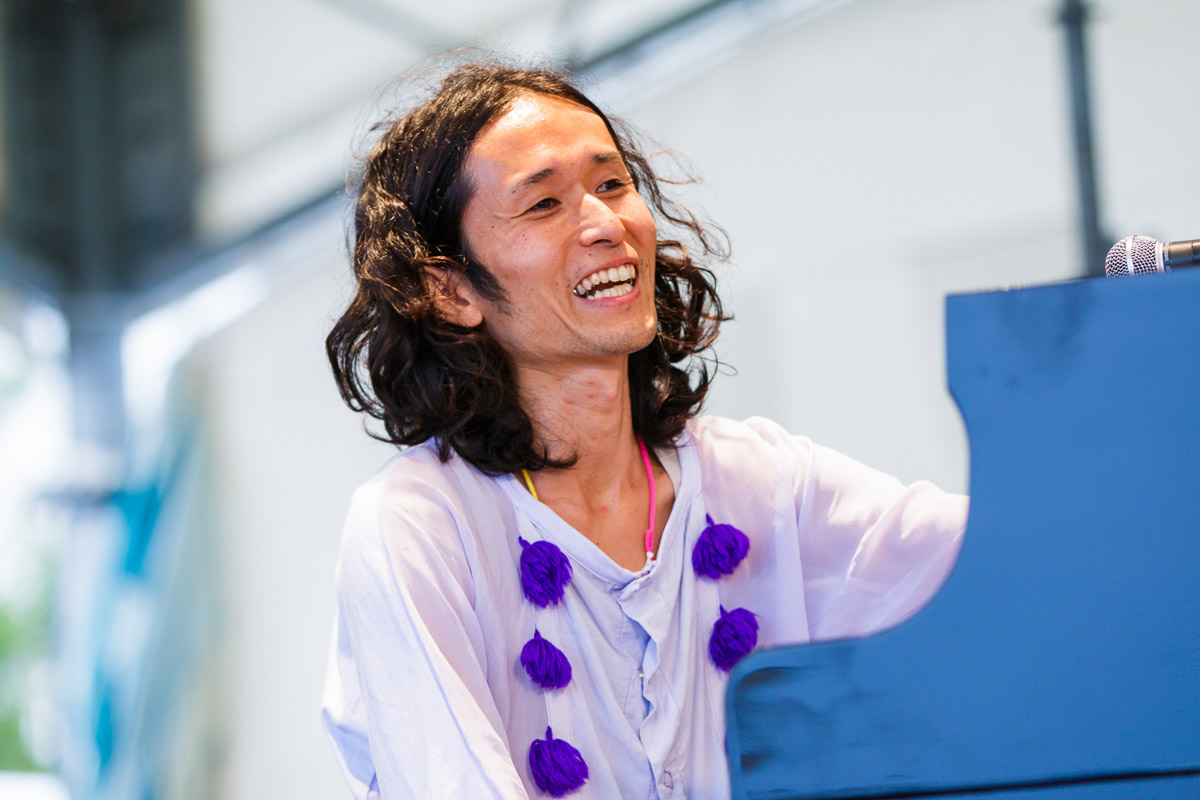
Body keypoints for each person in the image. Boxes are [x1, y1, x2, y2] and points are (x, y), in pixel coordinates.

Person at [320, 61, 967, 800]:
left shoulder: (757, 479)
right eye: (543, 204)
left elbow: (993, 558)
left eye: (612, 184)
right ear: (451, 290)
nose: (606, 224)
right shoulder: (419, 523)